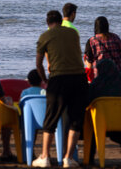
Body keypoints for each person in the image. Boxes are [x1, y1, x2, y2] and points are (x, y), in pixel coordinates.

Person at [32, 10, 88, 168]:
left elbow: (38, 64)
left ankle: (44, 157)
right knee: (75, 120)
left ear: (47, 22)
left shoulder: (45, 36)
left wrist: (44, 79)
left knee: (51, 119)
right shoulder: (73, 33)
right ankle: (68, 158)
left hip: (58, 79)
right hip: (79, 78)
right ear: (60, 21)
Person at [88, 59, 121, 166]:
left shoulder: (97, 83)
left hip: (100, 125)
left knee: (90, 131)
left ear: (100, 70)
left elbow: (87, 102)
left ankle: (89, 159)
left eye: (96, 70)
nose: (94, 72)